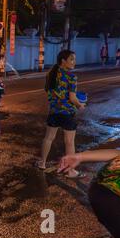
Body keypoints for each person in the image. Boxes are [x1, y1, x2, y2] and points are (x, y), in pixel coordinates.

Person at [37, 50, 86, 178]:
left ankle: (42, 163)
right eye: (71, 59)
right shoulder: (71, 77)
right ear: (63, 61)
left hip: (53, 112)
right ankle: (70, 171)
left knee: (48, 138)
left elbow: (48, 91)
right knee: (69, 142)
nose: (74, 62)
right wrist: (80, 105)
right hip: (67, 113)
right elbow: (72, 98)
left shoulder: (50, 74)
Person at [58, 149, 120, 238]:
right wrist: (80, 157)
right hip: (107, 195)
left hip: (104, 191)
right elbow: (119, 154)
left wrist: (80, 157)